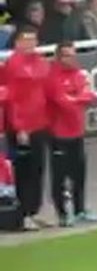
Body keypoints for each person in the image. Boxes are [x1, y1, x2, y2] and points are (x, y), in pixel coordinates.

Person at [46, 42, 97, 227]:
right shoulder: (52, 78)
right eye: (67, 55)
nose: (72, 59)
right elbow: (62, 102)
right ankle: (62, 214)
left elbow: (90, 95)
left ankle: (79, 210)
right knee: (60, 176)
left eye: (73, 55)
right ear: (58, 57)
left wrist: (75, 98)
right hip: (58, 134)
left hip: (76, 132)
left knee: (79, 174)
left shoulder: (78, 74)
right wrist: (78, 99)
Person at [3, 28, 50, 231]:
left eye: (33, 40)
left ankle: (33, 211)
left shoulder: (40, 62)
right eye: (26, 40)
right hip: (22, 127)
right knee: (25, 171)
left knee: (38, 169)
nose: (31, 44)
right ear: (17, 43)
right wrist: (19, 127)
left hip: (40, 123)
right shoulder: (13, 66)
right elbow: (12, 100)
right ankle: (22, 214)